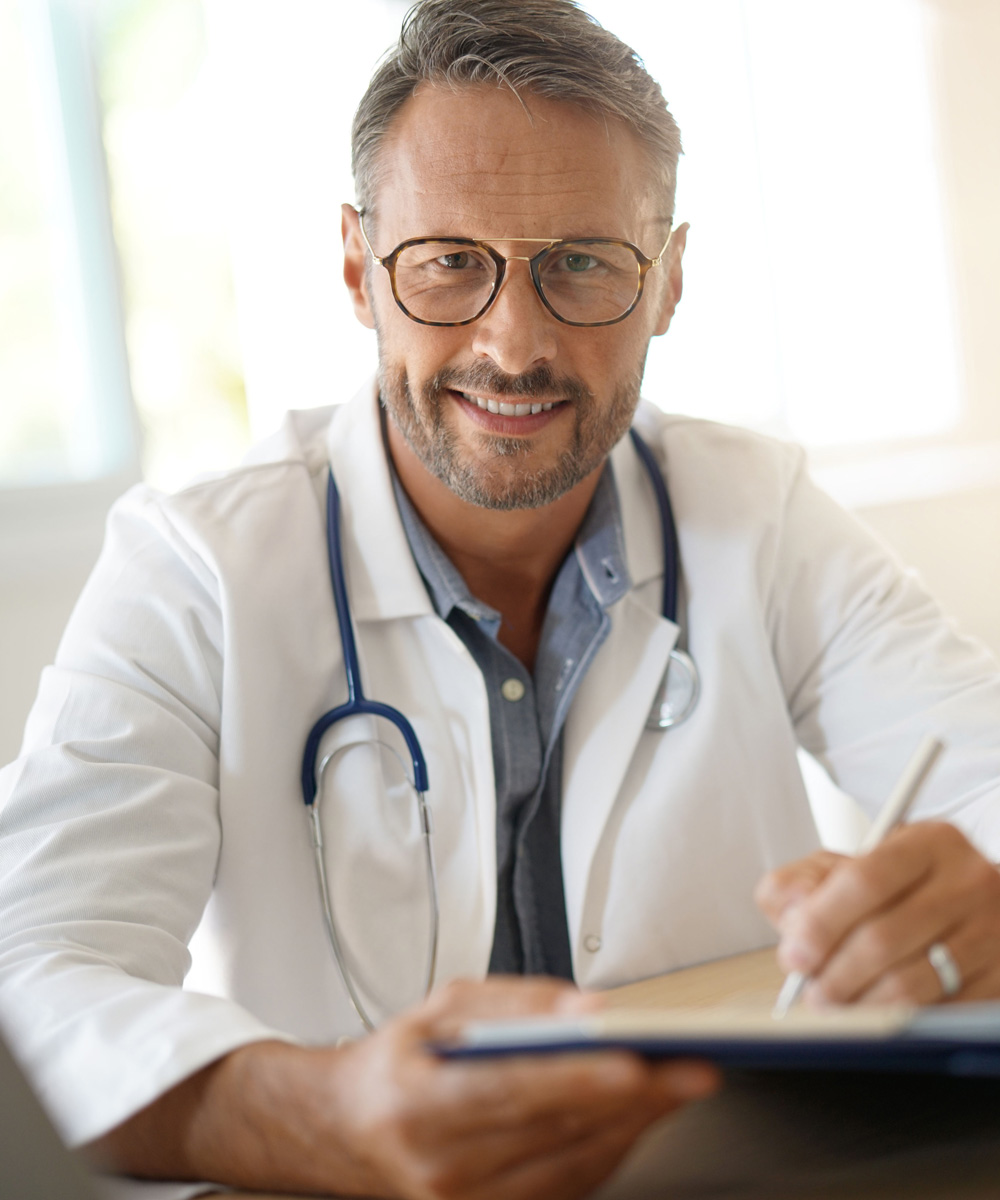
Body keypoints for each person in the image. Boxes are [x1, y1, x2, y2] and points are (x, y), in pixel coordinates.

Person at [3, 1, 1000, 1196]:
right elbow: (37, 970)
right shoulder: (194, 567)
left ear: (669, 279)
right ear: (355, 268)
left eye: (581, 262)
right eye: (447, 265)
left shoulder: (757, 510)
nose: (512, 342)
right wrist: (319, 1115)